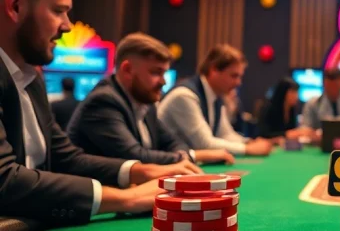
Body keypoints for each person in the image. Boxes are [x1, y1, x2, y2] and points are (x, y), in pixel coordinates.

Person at [0, 0, 196, 225]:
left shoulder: (30, 78)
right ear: (15, 6)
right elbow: (4, 180)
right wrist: (127, 198)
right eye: (58, 11)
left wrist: (142, 171)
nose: (67, 25)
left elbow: (66, 158)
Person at [67, 33, 234, 166]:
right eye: (156, 72)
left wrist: (183, 155)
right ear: (127, 69)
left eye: (164, 73)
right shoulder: (104, 101)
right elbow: (134, 156)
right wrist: (192, 156)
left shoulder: (146, 102)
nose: (163, 81)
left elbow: (173, 142)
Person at [159, 44, 273, 156]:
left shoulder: (216, 95)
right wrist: (247, 149)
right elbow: (204, 144)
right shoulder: (184, 96)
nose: (238, 83)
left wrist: (249, 142)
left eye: (240, 77)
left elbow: (225, 134)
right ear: (213, 70)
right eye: (234, 76)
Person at [300, 67, 340, 139]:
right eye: (330, 87)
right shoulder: (312, 104)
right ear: (324, 85)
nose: (332, 90)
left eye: (335, 86)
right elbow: (305, 130)